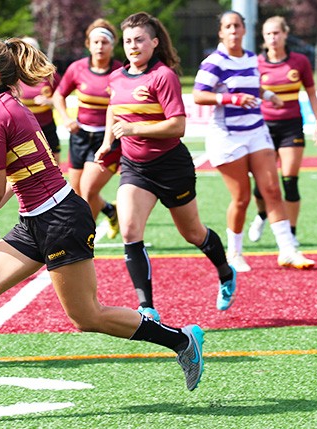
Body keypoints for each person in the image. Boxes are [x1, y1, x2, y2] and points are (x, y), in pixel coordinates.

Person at [0, 37, 204, 417]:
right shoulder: (3, 107)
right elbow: (15, 180)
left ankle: (182, 340)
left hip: (59, 220)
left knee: (87, 316)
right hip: (37, 219)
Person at [94, 12, 236, 316]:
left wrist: (134, 129)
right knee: (131, 231)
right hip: (135, 168)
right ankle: (147, 308)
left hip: (171, 167)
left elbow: (177, 126)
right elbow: (114, 108)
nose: (133, 46)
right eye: (129, 41)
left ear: (154, 42)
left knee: (193, 233)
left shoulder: (163, 76)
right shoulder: (117, 77)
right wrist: (108, 142)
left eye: (140, 40)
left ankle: (225, 272)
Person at [192, 10, 314, 272]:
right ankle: (234, 253)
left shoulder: (249, 58)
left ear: (244, 30)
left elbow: (252, 85)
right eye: (228, 27)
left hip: (256, 130)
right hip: (228, 136)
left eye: (237, 25)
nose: (234, 31)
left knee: (272, 190)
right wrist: (230, 99)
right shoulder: (215, 61)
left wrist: (269, 95)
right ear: (221, 32)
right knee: (242, 198)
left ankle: (288, 250)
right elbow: (199, 95)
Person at [247, 16, 317, 244]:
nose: (272, 37)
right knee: (262, 183)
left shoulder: (299, 61)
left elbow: (311, 93)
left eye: (276, 33)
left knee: (289, 181)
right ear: (263, 37)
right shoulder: (256, 63)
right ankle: (261, 215)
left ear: (285, 34)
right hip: (263, 128)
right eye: (268, 34)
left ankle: (291, 233)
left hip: (291, 127)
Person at [52, 18, 121, 239]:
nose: (100, 47)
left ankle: (84, 237)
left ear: (112, 45)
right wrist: (65, 118)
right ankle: (111, 210)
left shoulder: (121, 71)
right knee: (78, 192)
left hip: (107, 139)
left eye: (104, 42)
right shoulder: (77, 68)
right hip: (80, 135)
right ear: (88, 44)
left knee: (89, 189)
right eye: (95, 42)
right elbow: (58, 95)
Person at [17, 37, 62, 164]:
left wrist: (50, 101)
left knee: (54, 166)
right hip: (22, 130)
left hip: (47, 126)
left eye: (31, 50)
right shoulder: (13, 75)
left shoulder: (49, 73)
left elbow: (62, 96)